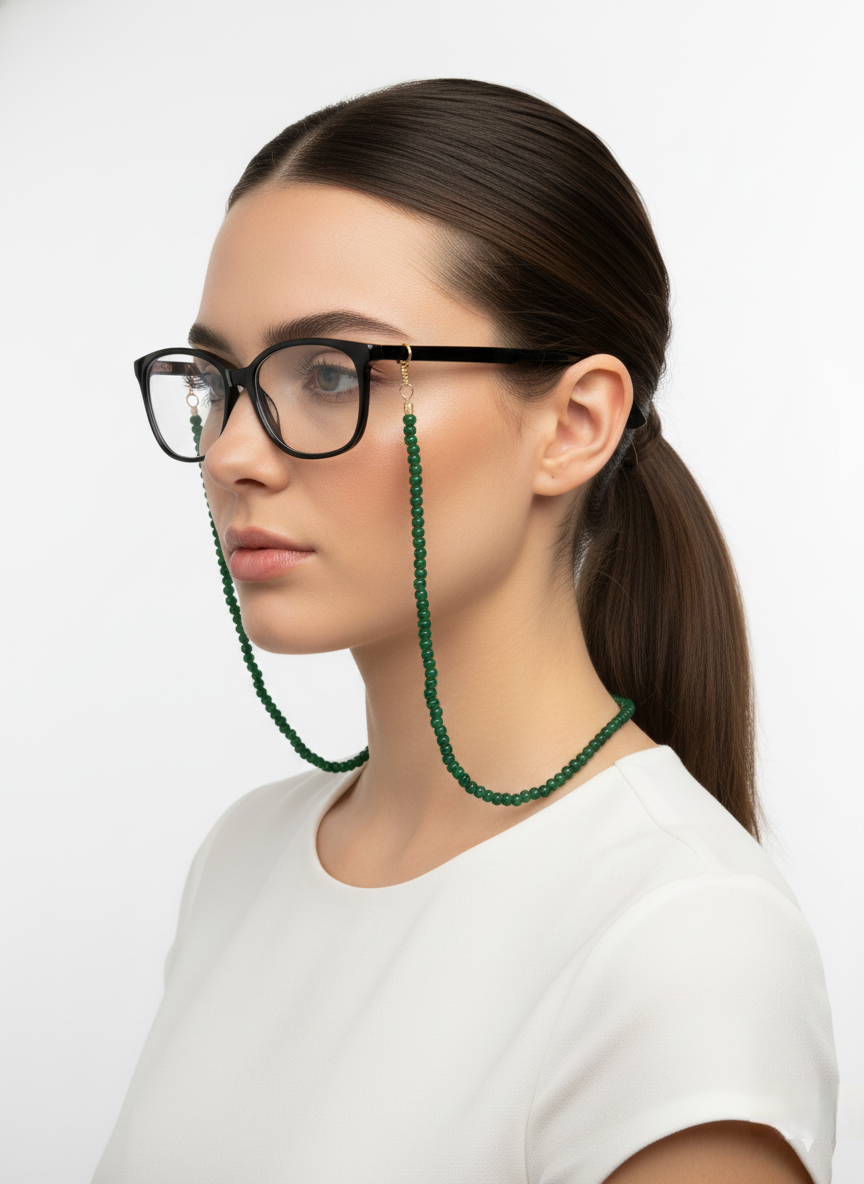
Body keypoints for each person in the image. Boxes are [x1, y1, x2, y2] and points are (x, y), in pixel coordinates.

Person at [94, 79, 838, 1183]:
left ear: (575, 422)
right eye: (219, 380)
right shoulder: (243, 861)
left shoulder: (683, 939)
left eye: (330, 373)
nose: (232, 452)